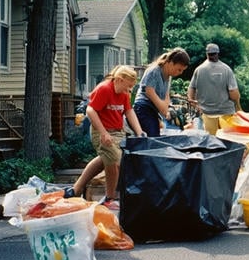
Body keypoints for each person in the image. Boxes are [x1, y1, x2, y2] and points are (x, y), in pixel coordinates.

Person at [64, 65, 145, 211]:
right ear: (119, 80)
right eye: (128, 86)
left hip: (117, 132)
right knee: (115, 160)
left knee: (104, 160)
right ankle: (110, 198)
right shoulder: (104, 89)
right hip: (101, 131)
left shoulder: (124, 93)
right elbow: (90, 110)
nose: (129, 91)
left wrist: (139, 132)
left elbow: (129, 111)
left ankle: (76, 189)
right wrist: (103, 133)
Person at [133, 48, 190, 137]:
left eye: (182, 70)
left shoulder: (168, 76)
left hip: (154, 110)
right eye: (179, 69)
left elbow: (166, 95)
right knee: (152, 137)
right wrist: (163, 110)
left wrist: (166, 110)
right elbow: (149, 92)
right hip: (143, 108)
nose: (180, 73)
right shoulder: (154, 71)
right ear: (171, 63)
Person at [187, 43, 240, 135]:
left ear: (207, 54)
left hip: (205, 114)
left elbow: (191, 89)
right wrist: (237, 100)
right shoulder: (226, 69)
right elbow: (233, 94)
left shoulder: (199, 70)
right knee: (226, 141)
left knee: (209, 142)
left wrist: (193, 102)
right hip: (225, 114)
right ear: (218, 53)